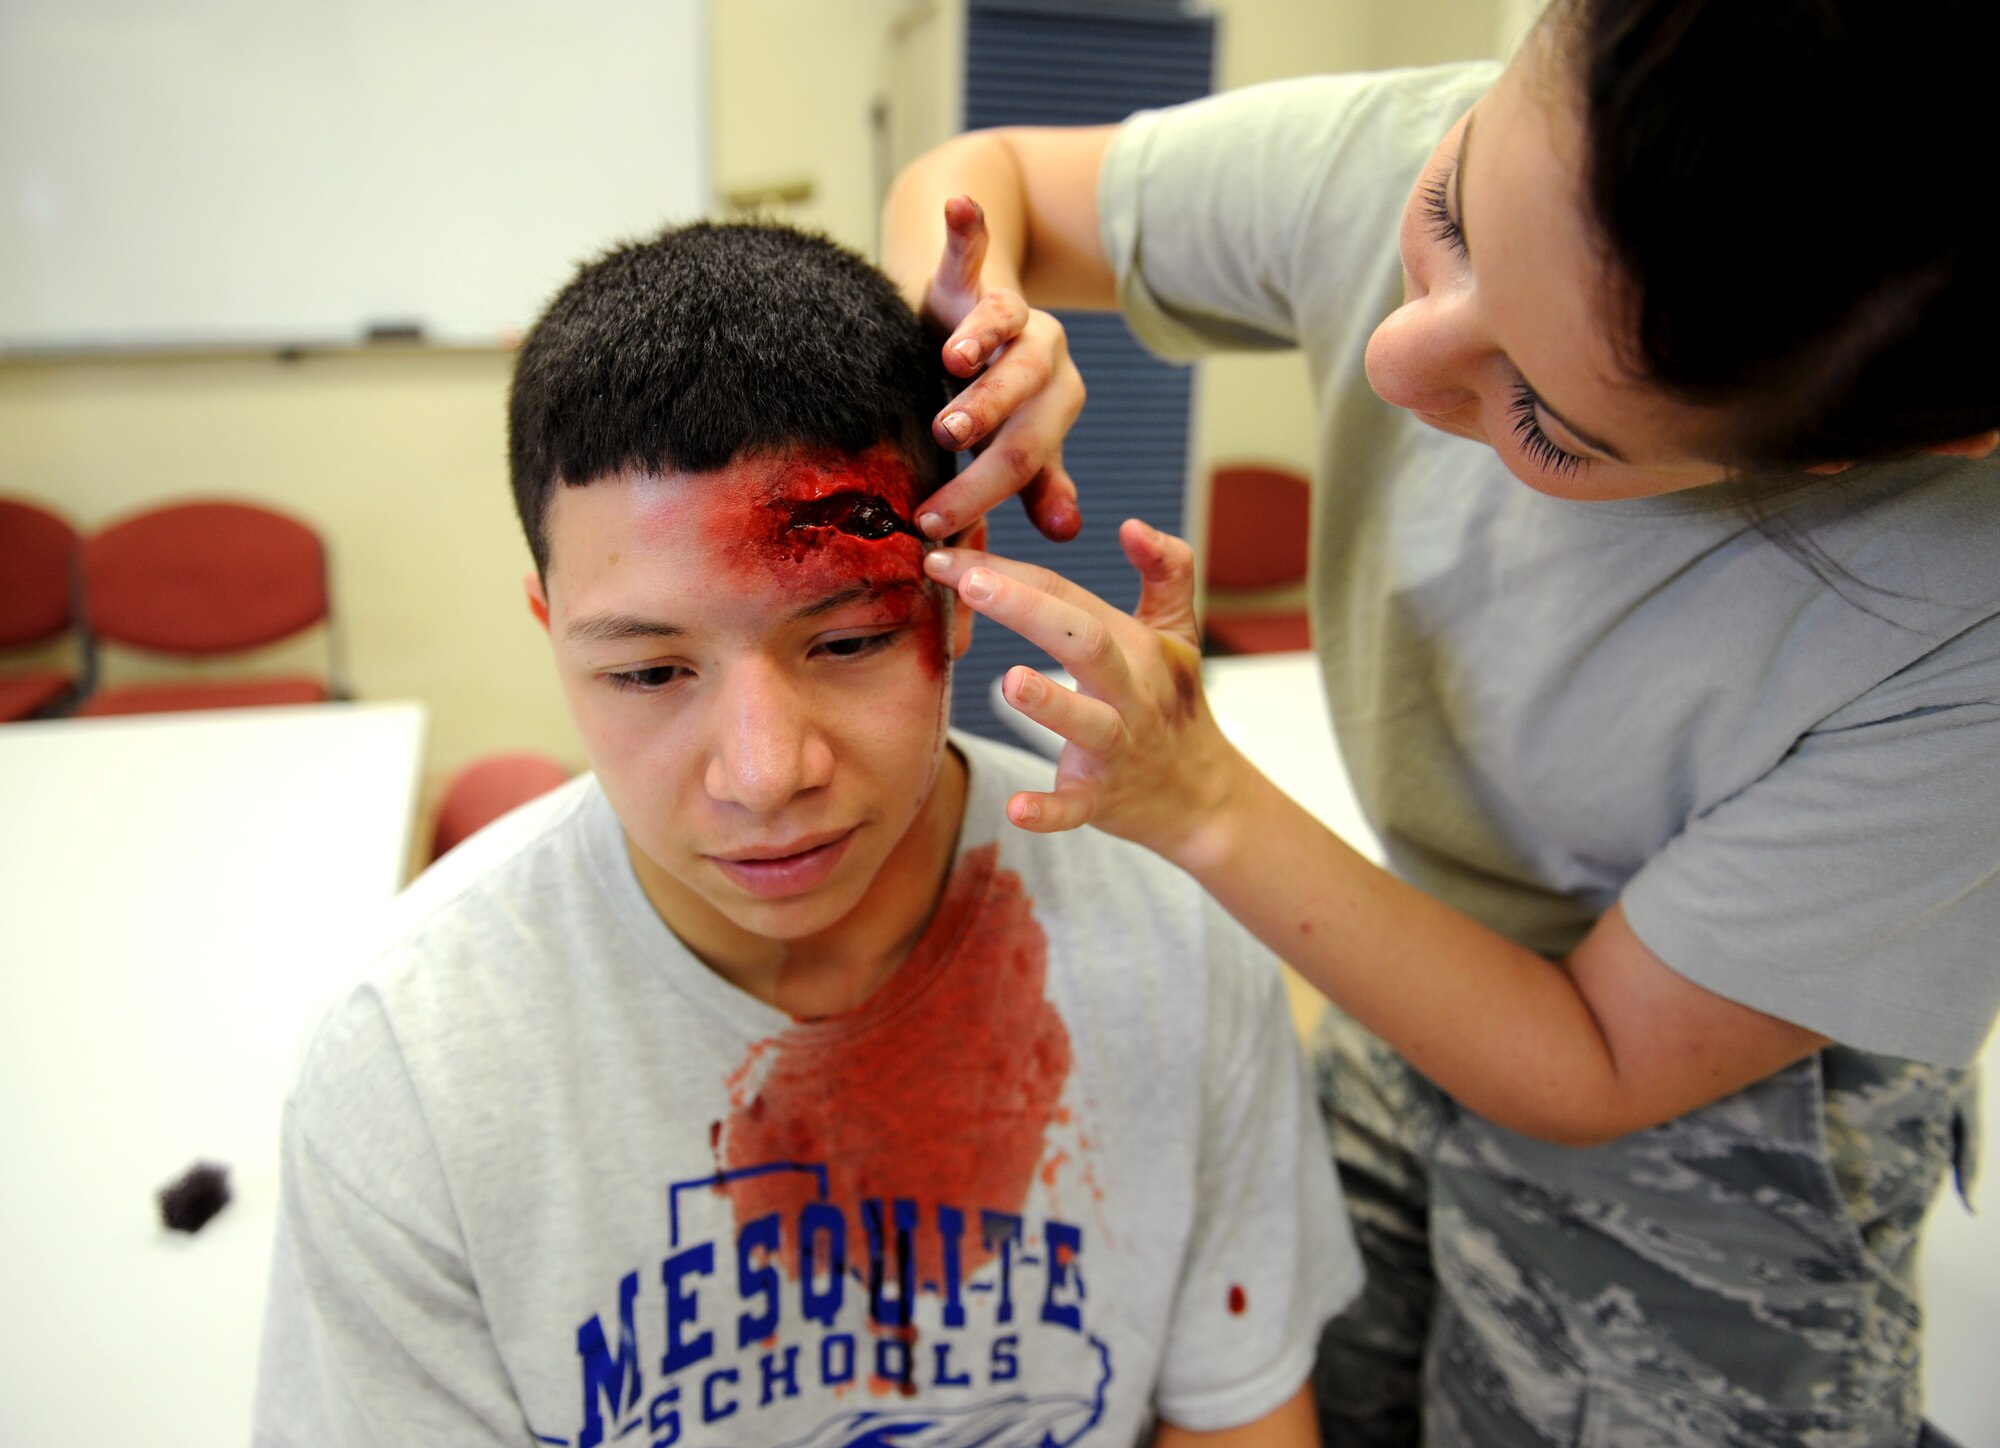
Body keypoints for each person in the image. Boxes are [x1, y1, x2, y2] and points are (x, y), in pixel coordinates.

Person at [879, 1, 2000, 1444]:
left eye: (1546, 420)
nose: (1397, 362)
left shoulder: (1957, 623)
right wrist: (974, 325)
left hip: (1718, 1132)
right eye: (1447, 217)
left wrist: (1205, 801)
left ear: (1855, 454)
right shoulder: (1410, 141)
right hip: (1416, 968)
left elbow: (1595, 1062)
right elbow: (986, 180)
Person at [251, 219, 1359, 1447]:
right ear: (550, 624)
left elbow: (1236, 1414)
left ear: (958, 585)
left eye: (845, 642)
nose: (765, 773)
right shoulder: (409, 1075)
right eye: (650, 671)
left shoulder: (1172, 939)